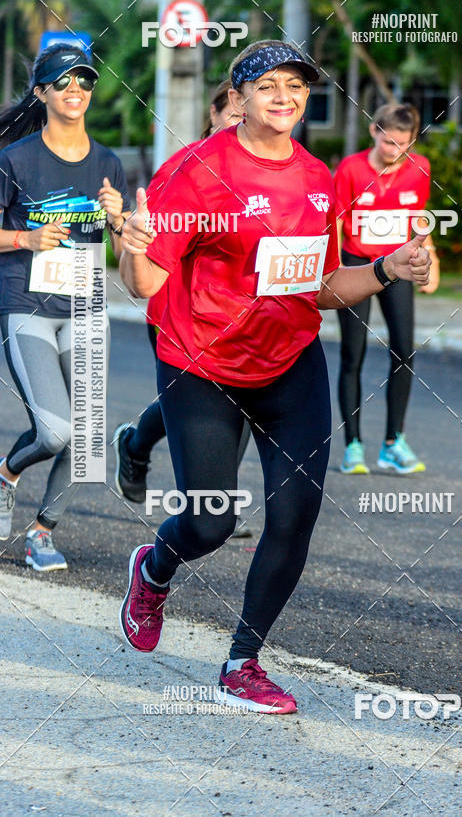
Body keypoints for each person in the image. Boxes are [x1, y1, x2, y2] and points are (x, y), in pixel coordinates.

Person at [118, 40, 430, 714]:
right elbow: (147, 282)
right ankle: (154, 568)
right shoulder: (196, 172)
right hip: (201, 363)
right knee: (210, 523)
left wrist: (386, 270)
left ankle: (242, 663)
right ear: (239, 97)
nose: (285, 95)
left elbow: (317, 286)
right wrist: (134, 248)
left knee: (295, 515)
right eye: (269, 85)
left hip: (290, 361)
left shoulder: (317, 179)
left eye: (297, 85)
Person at [0, 43, 129, 570]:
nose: (76, 90)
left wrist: (121, 220)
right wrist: (24, 241)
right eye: (64, 82)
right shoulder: (15, 159)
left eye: (85, 82)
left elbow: (126, 254)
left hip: (87, 306)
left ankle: (41, 531)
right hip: (27, 304)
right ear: (42, 93)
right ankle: (8, 472)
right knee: (55, 431)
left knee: (89, 438)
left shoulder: (108, 164)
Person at [113, 81, 252, 537]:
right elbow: (148, 250)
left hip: (242, 322)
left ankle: (217, 502)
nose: (241, 127)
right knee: (188, 408)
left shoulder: (266, 172)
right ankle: (136, 446)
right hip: (176, 314)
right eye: (232, 117)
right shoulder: (188, 168)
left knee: (241, 405)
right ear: (214, 115)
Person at [334, 103, 440, 475]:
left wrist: (431, 258)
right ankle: (353, 446)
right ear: (374, 133)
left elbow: (420, 219)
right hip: (356, 265)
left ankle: (394, 441)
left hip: (397, 269)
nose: (394, 150)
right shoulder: (350, 169)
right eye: (388, 141)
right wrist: (333, 269)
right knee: (353, 354)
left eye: (403, 144)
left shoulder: (420, 169)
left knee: (404, 351)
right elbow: (336, 223)